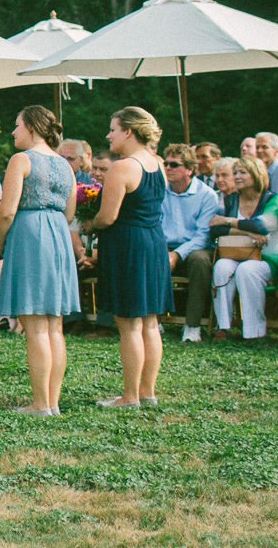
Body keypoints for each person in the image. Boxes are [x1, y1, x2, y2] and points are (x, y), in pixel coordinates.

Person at [0, 105, 80, 415]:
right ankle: (52, 402)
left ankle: (40, 403)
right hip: (58, 233)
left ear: (31, 127)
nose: (14, 131)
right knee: (54, 326)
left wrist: (3, 240)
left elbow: (6, 211)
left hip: (30, 234)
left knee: (35, 327)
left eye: (17, 125)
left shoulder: (22, 160)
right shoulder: (65, 165)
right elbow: (70, 211)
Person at [91, 106, 171, 409]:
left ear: (128, 131)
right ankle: (147, 392)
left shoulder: (123, 168)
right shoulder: (158, 164)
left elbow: (108, 217)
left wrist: (90, 223)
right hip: (154, 242)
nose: (109, 135)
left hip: (128, 245)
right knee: (150, 322)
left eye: (113, 129)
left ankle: (129, 396)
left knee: (129, 324)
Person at [208, 155, 278, 341]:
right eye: (235, 173)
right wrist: (248, 234)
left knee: (247, 270)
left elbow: (263, 226)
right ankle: (223, 326)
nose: (237, 176)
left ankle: (255, 331)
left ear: (256, 175)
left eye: (242, 172)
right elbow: (215, 229)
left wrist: (230, 221)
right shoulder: (230, 200)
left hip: (268, 258)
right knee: (222, 267)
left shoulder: (272, 200)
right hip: (236, 253)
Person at [160, 144, 220, 342]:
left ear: (189, 169)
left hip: (195, 248)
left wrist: (177, 254)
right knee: (149, 255)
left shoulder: (207, 195)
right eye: (166, 163)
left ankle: (193, 325)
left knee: (201, 261)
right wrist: (164, 251)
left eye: (174, 165)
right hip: (165, 245)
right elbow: (154, 225)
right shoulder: (159, 191)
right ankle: (154, 320)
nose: (168, 168)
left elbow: (203, 235)